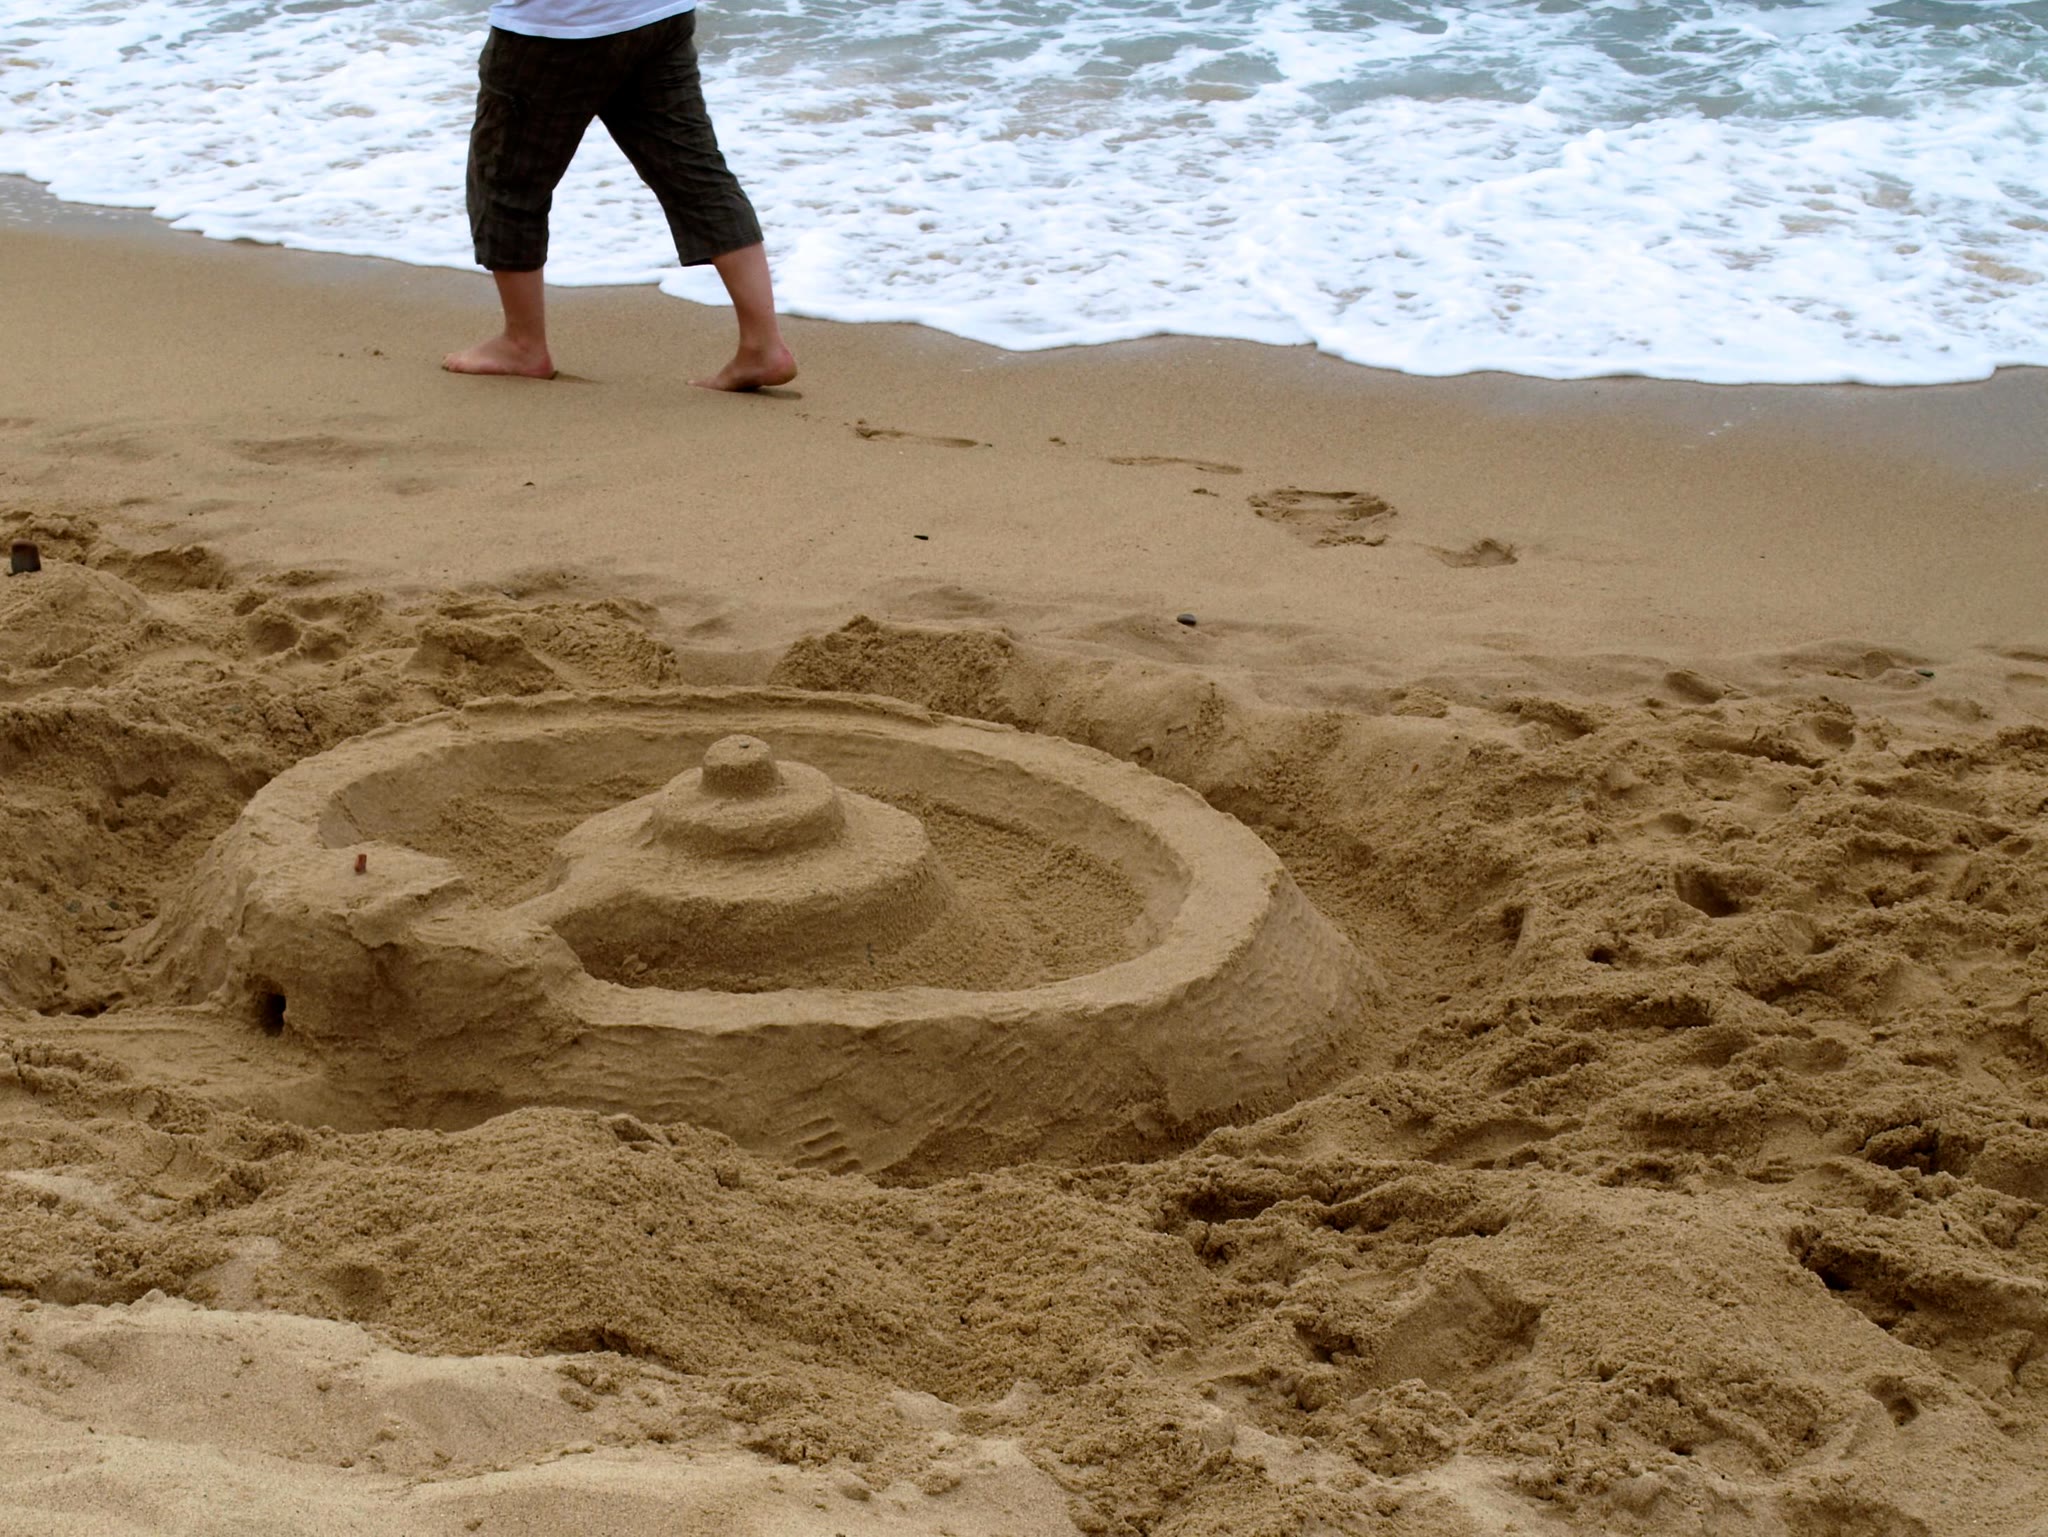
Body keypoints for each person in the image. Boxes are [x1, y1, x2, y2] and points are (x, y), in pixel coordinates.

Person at [443, 0, 796, 390]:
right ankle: (763, 344)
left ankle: (522, 344)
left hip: (560, 26)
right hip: (658, 15)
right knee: (697, 174)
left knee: (507, 177)